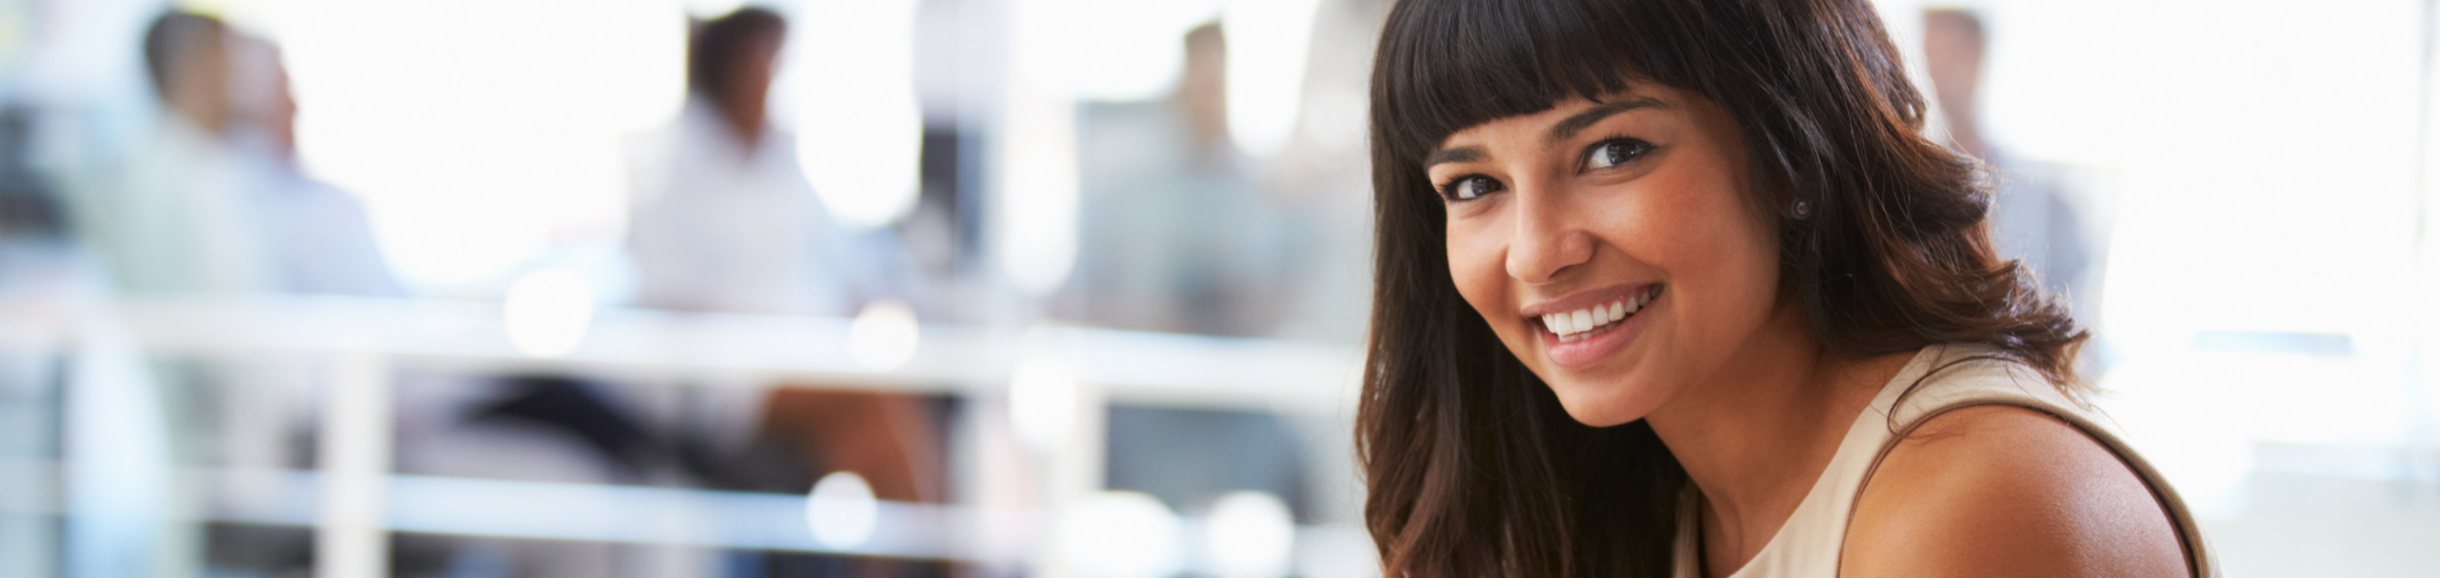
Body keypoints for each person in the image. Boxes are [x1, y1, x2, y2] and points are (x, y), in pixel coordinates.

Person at [1354, 1, 2216, 578]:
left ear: (1789, 155)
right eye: (1473, 186)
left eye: (1613, 152)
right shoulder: (1636, 495)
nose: (1537, 254)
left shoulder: (1970, 506)